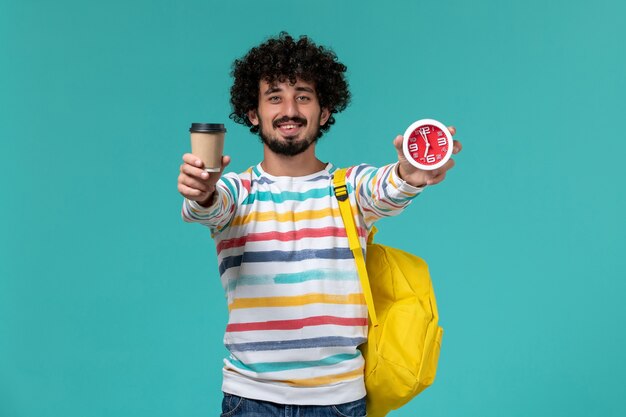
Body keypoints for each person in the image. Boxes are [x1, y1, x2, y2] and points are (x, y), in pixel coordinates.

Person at [178, 32, 462, 417]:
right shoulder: (235, 191)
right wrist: (202, 191)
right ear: (253, 113)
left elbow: (388, 188)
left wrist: (411, 173)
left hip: (339, 402)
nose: (289, 109)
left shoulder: (349, 187)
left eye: (303, 96)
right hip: (250, 400)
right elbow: (208, 208)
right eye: (274, 97)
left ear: (324, 111)